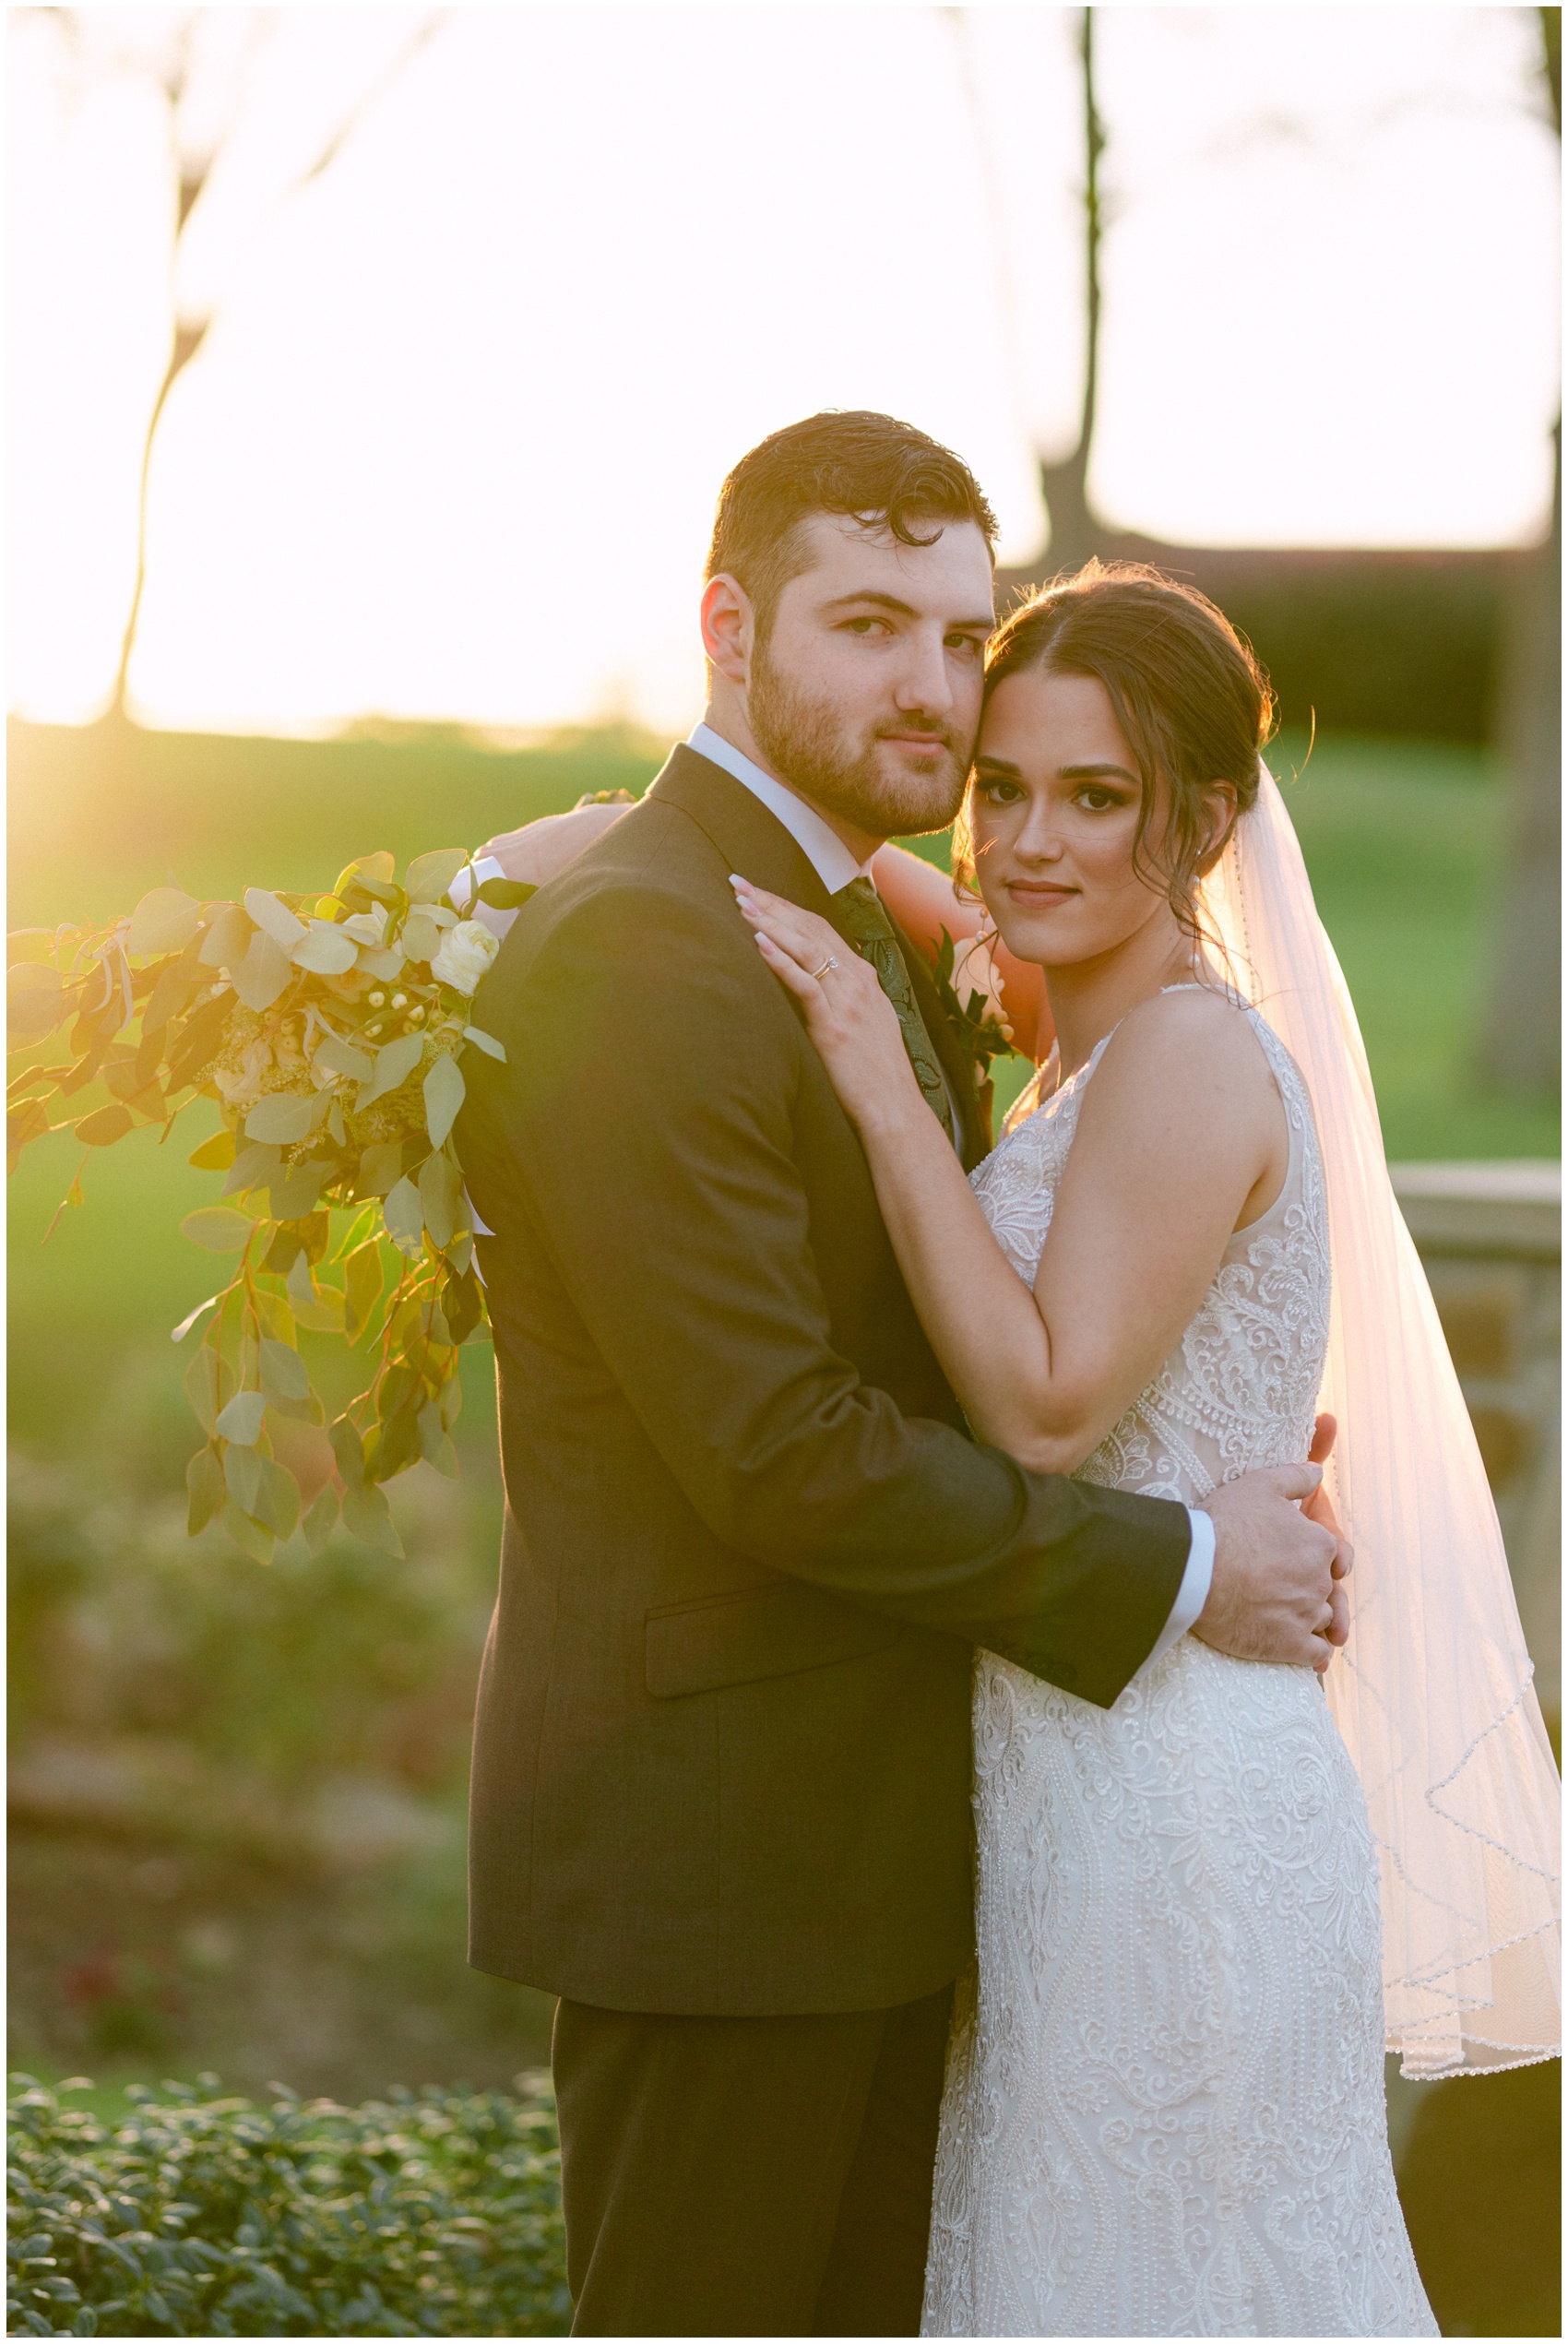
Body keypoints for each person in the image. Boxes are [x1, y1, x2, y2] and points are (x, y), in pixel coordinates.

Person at [455, 411, 1353, 2338]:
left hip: (903, 1853)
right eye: (870, 624)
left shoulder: (839, 921)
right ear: (725, 623)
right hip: (724, 1868)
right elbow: (775, 1445)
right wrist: (1186, 1553)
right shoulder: (650, 952)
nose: (932, 689)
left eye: (960, 634)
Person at [734, 565, 1561, 2335]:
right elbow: (846, 868)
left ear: (1195, 817)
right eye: (1002, 786)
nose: (1030, 842)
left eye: (1094, 796)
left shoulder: (1183, 1053)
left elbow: (1045, 1407)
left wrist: (883, 1088)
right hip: (1087, 1768)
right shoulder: (1080, 1031)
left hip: (1174, 1803)